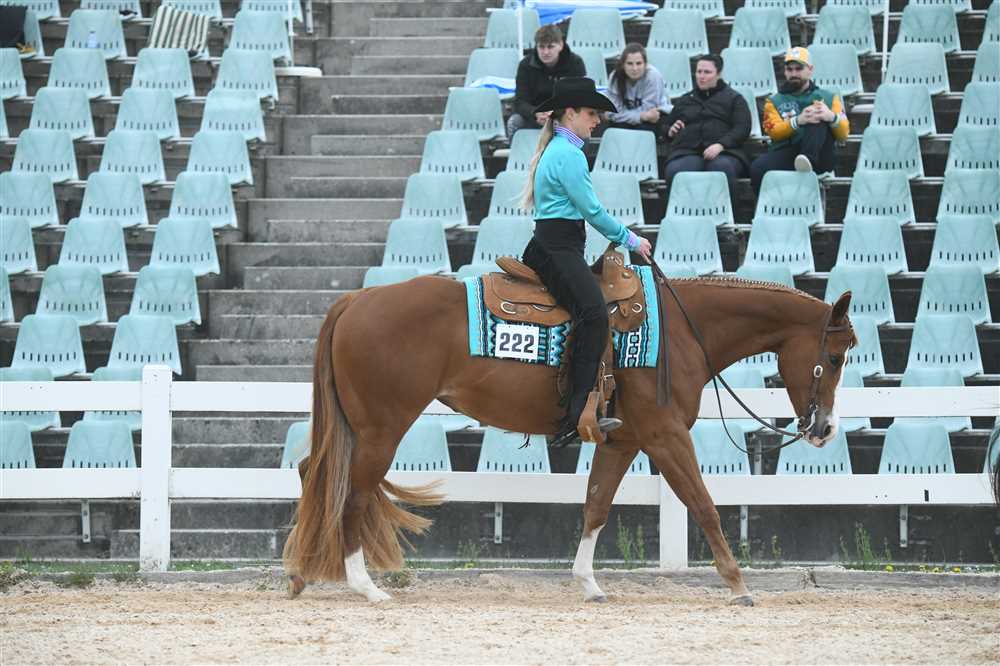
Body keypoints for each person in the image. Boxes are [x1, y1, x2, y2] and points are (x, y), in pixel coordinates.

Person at [519, 77, 653, 447]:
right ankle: (577, 412)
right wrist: (631, 239)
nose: (597, 121)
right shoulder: (569, 154)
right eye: (592, 113)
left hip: (553, 245)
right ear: (570, 112)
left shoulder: (558, 150)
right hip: (558, 249)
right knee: (594, 315)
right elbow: (592, 211)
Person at [750, 46, 850, 195]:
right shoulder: (774, 101)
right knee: (757, 168)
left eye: (798, 69)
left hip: (821, 154)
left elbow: (844, 135)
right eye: (789, 69)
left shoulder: (829, 97)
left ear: (810, 70)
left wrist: (831, 117)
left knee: (817, 114)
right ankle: (767, 206)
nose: (794, 73)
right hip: (789, 152)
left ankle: (808, 160)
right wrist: (797, 121)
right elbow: (773, 132)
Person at [662, 54, 751, 207]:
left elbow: (742, 128)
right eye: (699, 72)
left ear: (719, 74)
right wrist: (671, 130)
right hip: (688, 151)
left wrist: (721, 145)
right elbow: (665, 126)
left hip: (725, 153)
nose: (701, 76)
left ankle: (729, 215)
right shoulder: (686, 99)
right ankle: (680, 214)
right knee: (675, 171)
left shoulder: (735, 99)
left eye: (707, 72)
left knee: (721, 169)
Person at [507, 23, 586, 139]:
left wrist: (557, 114)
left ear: (560, 45)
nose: (545, 52)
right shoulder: (525, 65)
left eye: (550, 47)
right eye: (541, 47)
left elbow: (580, 98)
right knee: (515, 121)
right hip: (535, 116)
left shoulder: (575, 63)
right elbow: (520, 101)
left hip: (565, 116)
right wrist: (536, 113)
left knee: (583, 123)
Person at [603, 43, 669, 135]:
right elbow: (613, 112)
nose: (634, 68)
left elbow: (650, 113)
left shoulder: (653, 76)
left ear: (645, 64)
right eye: (630, 64)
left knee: (644, 128)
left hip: (651, 122)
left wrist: (622, 115)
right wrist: (641, 116)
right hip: (627, 122)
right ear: (623, 65)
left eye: (639, 63)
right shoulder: (615, 77)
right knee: (618, 128)